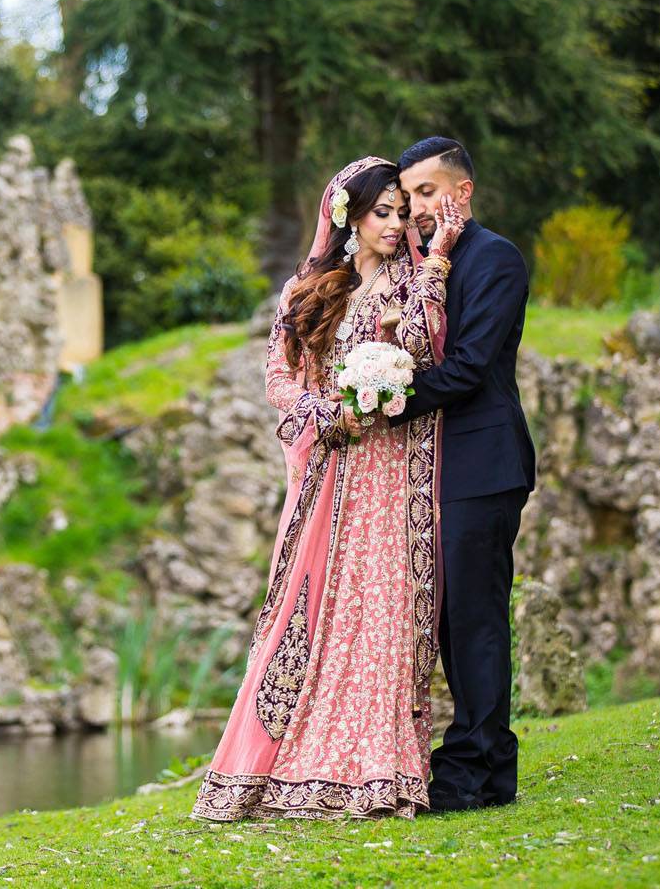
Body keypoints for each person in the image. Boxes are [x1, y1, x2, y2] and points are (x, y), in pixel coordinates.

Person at [190, 156, 467, 821]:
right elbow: (279, 378)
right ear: (349, 217)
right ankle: (285, 771)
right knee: (310, 610)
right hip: (330, 474)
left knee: (386, 608)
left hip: (395, 475)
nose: (398, 224)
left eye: (403, 213)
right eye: (384, 213)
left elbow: (429, 353)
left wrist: (437, 264)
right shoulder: (307, 290)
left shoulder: (412, 285)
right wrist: (326, 413)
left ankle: (379, 772)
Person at [384, 136, 536, 812]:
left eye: (425, 192)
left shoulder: (495, 259)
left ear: (461, 192)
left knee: (474, 619)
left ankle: (471, 769)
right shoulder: (420, 265)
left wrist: (386, 398)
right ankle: (487, 769)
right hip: (436, 469)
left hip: (484, 461)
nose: (414, 208)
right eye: (408, 195)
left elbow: (471, 366)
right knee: (448, 620)